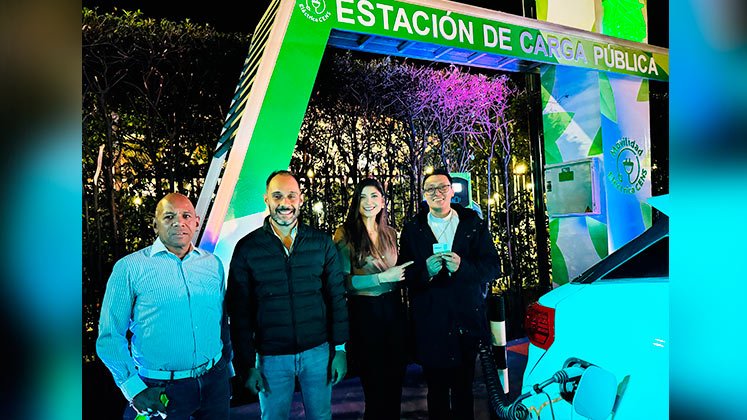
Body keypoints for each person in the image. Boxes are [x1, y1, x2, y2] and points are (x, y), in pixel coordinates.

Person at [96, 193, 232, 419]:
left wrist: (226, 369)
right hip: (160, 389)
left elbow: (220, 321)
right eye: (169, 216)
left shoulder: (212, 264)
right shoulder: (130, 268)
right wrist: (134, 390)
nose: (179, 222)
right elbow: (110, 336)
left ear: (196, 222)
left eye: (186, 215)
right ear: (155, 224)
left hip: (214, 382)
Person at [227, 170, 349, 420]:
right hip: (271, 357)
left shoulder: (321, 243)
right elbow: (239, 312)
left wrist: (340, 349)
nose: (285, 203)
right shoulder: (247, 248)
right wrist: (247, 365)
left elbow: (336, 297)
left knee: (321, 417)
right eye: (278, 196)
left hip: (317, 352)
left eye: (291, 195)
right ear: (266, 199)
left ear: (301, 199)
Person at [398, 169, 501, 420]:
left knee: (464, 391)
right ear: (424, 195)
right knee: (436, 393)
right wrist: (425, 271)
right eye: (430, 189)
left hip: (466, 323)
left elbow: (493, 267)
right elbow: (404, 274)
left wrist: (462, 267)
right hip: (431, 325)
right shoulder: (413, 228)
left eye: (442, 187)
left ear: (452, 191)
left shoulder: (472, 224)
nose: (437, 193)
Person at [332, 178, 413, 420]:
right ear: (356, 202)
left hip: (393, 309)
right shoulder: (345, 233)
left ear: (382, 201)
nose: (369, 202)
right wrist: (381, 278)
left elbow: (399, 272)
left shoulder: (390, 233)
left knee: (396, 382)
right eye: (364, 197)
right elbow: (344, 282)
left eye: (375, 196)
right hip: (365, 312)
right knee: (375, 387)